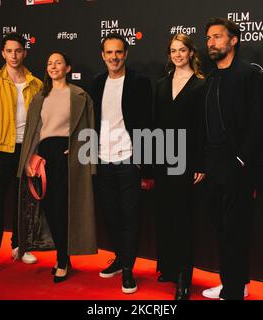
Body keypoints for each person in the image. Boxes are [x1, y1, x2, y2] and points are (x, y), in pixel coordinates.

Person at [200, 18, 263, 300]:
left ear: (233, 40)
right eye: (208, 38)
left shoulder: (248, 74)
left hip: (238, 167)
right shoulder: (210, 76)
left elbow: (259, 122)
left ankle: (234, 289)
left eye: (217, 37)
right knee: (221, 229)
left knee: (237, 231)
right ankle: (233, 283)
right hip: (213, 166)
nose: (211, 43)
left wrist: (241, 160)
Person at [16, 51, 98, 283]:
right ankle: (63, 254)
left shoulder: (80, 95)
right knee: (50, 208)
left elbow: (89, 130)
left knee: (64, 208)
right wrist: (29, 159)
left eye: (58, 63)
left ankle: (62, 258)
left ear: (67, 68)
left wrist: (79, 150)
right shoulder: (40, 97)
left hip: (68, 156)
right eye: (49, 63)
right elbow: (33, 131)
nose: (53, 67)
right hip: (44, 158)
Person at [0, 32, 42, 278]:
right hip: (1, 151)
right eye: (9, 51)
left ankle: (19, 246)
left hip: (26, 150)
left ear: (24, 52)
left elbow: (41, 121)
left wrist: (36, 152)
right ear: (2, 53)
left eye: (18, 51)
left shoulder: (36, 83)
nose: (14, 56)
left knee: (22, 202)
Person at [91, 33, 152, 294]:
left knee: (130, 217)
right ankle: (119, 259)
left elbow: (149, 123)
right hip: (103, 160)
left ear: (125, 54)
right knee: (111, 215)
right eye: (109, 53)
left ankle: (128, 269)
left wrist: (144, 163)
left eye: (118, 52)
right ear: (103, 56)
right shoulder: (96, 83)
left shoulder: (139, 82)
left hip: (129, 161)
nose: (114, 57)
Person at [153, 34, 206, 300]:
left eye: (182, 50)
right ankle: (170, 268)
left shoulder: (201, 85)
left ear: (191, 53)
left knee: (184, 219)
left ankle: (184, 278)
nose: (177, 55)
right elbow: (154, 124)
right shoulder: (162, 84)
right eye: (173, 50)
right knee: (166, 215)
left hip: (187, 161)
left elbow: (203, 128)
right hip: (163, 159)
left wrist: (200, 162)